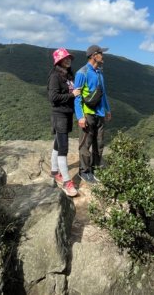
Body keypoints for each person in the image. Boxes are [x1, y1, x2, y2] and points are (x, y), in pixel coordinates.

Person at [74, 44, 112, 184]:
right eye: (101, 53)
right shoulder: (82, 73)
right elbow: (77, 97)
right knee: (86, 143)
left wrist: (107, 109)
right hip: (88, 114)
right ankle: (84, 171)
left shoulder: (99, 72)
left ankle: (96, 168)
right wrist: (80, 116)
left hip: (100, 113)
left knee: (99, 142)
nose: (103, 55)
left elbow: (103, 94)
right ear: (94, 55)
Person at [48, 47, 81, 197]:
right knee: (64, 148)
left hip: (67, 114)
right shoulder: (55, 76)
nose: (68, 60)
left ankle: (55, 171)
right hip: (59, 115)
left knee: (58, 143)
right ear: (58, 61)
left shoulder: (68, 75)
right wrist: (71, 95)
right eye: (65, 58)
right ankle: (67, 182)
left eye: (69, 58)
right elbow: (53, 97)